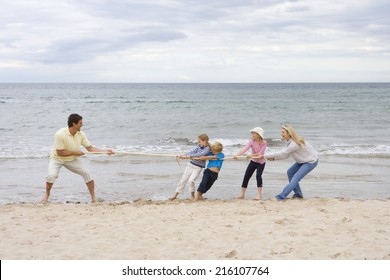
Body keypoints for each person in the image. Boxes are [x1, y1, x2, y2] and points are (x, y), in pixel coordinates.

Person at [42, 113, 114, 204]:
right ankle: (47, 195)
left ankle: (93, 199)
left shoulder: (81, 134)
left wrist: (105, 151)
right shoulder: (60, 134)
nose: (82, 125)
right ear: (73, 124)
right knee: (51, 176)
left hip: (72, 159)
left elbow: (90, 149)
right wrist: (75, 152)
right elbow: (60, 152)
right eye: (80, 123)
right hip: (57, 158)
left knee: (87, 173)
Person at [257, 125, 318, 201]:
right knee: (290, 172)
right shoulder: (289, 142)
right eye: (281, 132)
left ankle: (280, 197)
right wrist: (273, 158)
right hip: (302, 160)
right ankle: (298, 195)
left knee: (295, 178)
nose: (281, 134)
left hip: (310, 161)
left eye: (283, 132)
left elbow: (282, 153)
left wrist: (264, 156)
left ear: (289, 133)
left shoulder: (294, 144)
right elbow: (285, 155)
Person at [169, 134, 211, 200]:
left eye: (199, 141)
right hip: (190, 165)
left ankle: (192, 196)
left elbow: (200, 154)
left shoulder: (207, 149)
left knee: (191, 181)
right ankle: (175, 195)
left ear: (204, 141)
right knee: (183, 180)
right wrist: (183, 155)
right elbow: (192, 151)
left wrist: (190, 156)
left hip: (198, 167)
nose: (198, 143)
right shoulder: (198, 146)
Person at [233, 127, 267, 200]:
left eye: (254, 133)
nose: (252, 134)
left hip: (261, 162)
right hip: (253, 161)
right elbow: (244, 149)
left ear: (259, 134)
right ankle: (242, 194)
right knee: (247, 176)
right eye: (252, 133)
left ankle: (259, 195)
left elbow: (260, 154)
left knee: (258, 176)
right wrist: (237, 155)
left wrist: (251, 155)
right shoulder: (251, 141)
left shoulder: (264, 142)